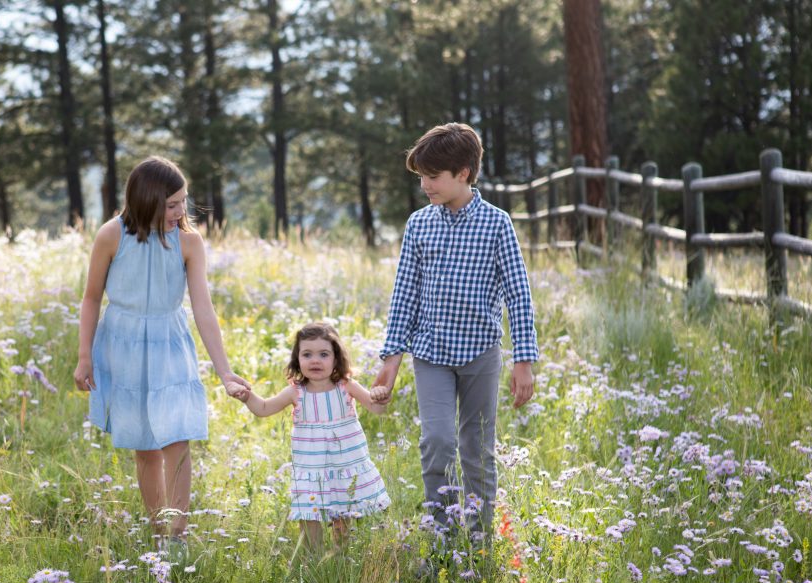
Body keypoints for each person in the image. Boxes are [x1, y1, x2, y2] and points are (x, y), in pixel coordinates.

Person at [371, 122, 539, 539]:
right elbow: (404, 295)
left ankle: (479, 541)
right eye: (422, 177)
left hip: (481, 355)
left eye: (433, 176)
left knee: (477, 449)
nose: (425, 184)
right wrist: (391, 361)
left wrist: (524, 362)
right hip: (431, 355)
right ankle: (443, 539)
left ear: (463, 172)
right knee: (438, 443)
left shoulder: (497, 225)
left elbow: (518, 295)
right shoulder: (419, 225)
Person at [74, 156, 249, 547]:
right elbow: (90, 298)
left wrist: (225, 371)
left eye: (183, 201)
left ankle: (178, 535)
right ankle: (159, 533)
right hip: (124, 346)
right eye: (172, 204)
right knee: (145, 446)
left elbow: (203, 307)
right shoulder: (111, 235)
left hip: (169, 343)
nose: (181, 211)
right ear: (147, 201)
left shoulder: (189, 242)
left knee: (177, 439)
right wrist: (84, 355)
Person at [227, 322, 390, 552]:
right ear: (297, 359)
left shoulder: (346, 386)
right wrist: (246, 397)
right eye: (307, 354)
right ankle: (313, 559)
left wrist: (381, 395)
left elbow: (376, 409)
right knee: (309, 515)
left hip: (343, 466)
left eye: (324, 354)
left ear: (336, 358)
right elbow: (263, 408)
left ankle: (339, 558)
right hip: (311, 469)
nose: (315, 360)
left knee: (343, 514)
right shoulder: (296, 391)